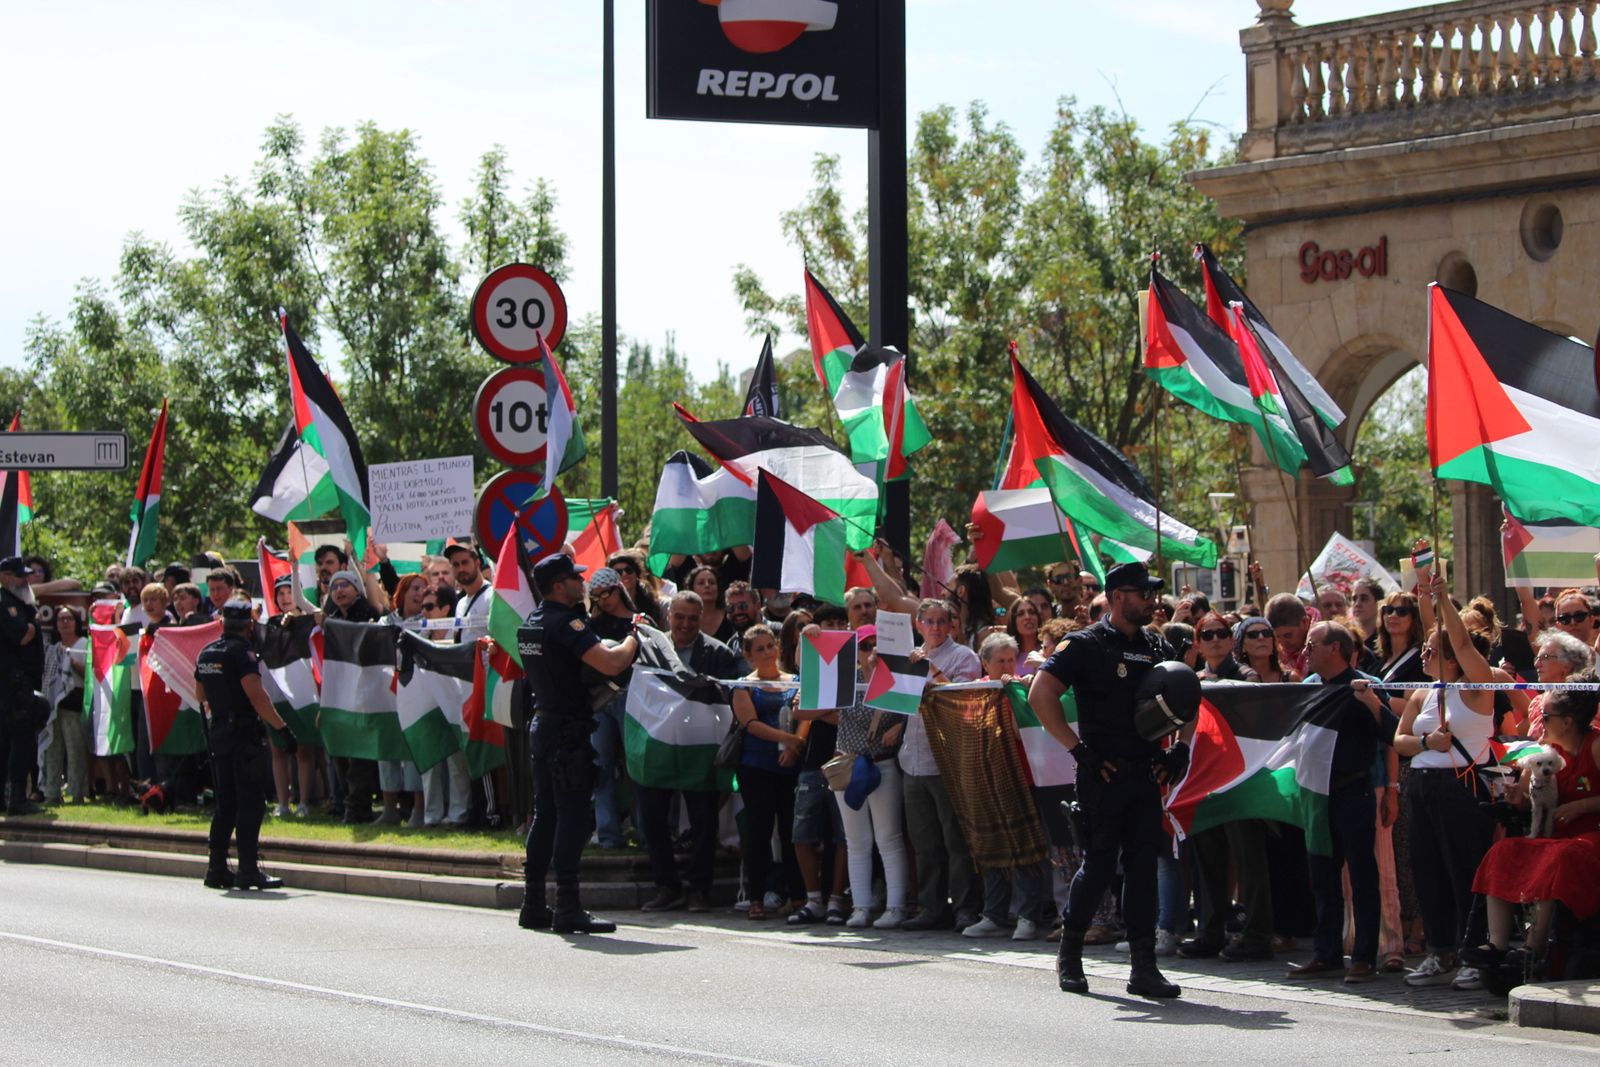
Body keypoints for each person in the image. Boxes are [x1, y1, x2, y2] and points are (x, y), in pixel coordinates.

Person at [1028, 561, 1187, 999]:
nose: (1151, 600)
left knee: (1141, 870)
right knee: (1098, 867)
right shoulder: (1086, 644)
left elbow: (1186, 695)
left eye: (1152, 593)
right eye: (1142, 593)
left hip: (1145, 774)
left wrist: (1180, 747)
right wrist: (1076, 748)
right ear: (1118, 598)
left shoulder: (1156, 646)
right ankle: (1071, 954)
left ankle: (1144, 968)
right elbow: (1040, 694)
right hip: (1102, 774)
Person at [519, 554, 639, 935]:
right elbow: (611, 663)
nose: (580, 582)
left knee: (545, 816)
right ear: (558, 585)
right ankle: (567, 906)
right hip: (568, 730)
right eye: (574, 577)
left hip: (544, 725)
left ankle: (534, 902)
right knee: (573, 817)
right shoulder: (565, 623)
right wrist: (635, 637)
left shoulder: (531, 622)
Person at [1390, 572, 1499, 991]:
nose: (1424, 654)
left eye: (1433, 651)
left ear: (1451, 658)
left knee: (1464, 871)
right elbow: (1400, 742)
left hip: (1462, 787)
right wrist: (1425, 741)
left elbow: (1463, 642)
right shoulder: (1421, 694)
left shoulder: (1475, 687)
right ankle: (1440, 950)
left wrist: (1443, 601)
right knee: (1428, 869)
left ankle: (1475, 953)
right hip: (1422, 787)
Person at [1286, 622, 1397, 984]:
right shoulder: (1307, 690)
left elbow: (1393, 733)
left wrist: (1372, 703)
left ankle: (1364, 956)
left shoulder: (1364, 686)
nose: (1306, 651)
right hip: (1316, 794)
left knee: (1363, 875)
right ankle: (1327, 953)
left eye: (1312, 644)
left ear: (1334, 648)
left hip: (1354, 792)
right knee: (1322, 876)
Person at [1465, 678, 1600, 967]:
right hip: (1553, 832)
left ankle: (1534, 946)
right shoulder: (1544, 750)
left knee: (1561, 857)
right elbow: (1528, 798)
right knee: (1503, 851)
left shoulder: (1596, 745)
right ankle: (1497, 943)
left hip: (1591, 834)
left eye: (1546, 716)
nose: (1540, 720)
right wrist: (1518, 797)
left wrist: (1582, 805)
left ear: (1567, 721)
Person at [899, 598, 983, 931]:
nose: (935, 627)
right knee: (924, 843)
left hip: (946, 759)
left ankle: (965, 908)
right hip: (913, 758)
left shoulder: (964, 656)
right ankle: (931, 907)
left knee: (956, 840)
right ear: (918, 625)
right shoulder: (907, 657)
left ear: (951, 625)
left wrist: (930, 669)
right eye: (928, 621)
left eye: (941, 621)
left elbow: (960, 701)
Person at [196, 600, 290, 891]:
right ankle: (248, 869)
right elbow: (256, 695)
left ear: (223, 621)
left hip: (220, 732)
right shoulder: (243, 653)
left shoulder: (207, 651)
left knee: (226, 805)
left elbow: (200, 695)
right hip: (243, 734)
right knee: (250, 804)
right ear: (249, 623)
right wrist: (281, 729)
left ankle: (217, 868)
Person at [965, 632, 1052, 941]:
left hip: (1022, 776)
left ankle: (1028, 915)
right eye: (998, 660)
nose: (1005, 665)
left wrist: (1015, 695)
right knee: (991, 846)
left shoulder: (1023, 688)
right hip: (987, 779)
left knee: (1025, 846)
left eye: (1010, 659)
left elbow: (1021, 733)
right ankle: (994, 913)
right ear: (984, 663)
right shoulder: (974, 692)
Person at [730, 624, 805, 920]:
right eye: (759, 649)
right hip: (756, 766)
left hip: (790, 764)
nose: (767, 653)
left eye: (770, 646)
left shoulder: (795, 681)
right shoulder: (743, 685)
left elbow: (804, 714)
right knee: (759, 832)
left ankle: (798, 895)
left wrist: (795, 745)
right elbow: (750, 724)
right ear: (749, 656)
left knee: (792, 832)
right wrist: (787, 739)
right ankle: (756, 897)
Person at [0, 557, 45, 815]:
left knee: (9, 739)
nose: (26, 580)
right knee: (20, 739)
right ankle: (17, 797)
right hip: (13, 682)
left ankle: (10, 797)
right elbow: (23, 636)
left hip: (18, 681)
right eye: (19, 576)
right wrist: (30, 624)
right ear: (5, 577)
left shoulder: (21, 602)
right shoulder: (7, 604)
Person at [39, 605, 88, 804]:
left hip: (74, 702)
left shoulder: (84, 644)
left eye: (69, 618)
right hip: (53, 705)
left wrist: (70, 660)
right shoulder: (52, 648)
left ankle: (77, 793)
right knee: (52, 749)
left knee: (75, 749)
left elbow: (88, 676)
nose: (65, 622)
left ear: (76, 623)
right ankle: (52, 792)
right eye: (61, 619)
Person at [1523, 631, 1594, 738]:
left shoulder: (1582, 703)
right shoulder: (1536, 703)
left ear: (1567, 665)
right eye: (1537, 658)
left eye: (1545, 657)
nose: (1536, 664)